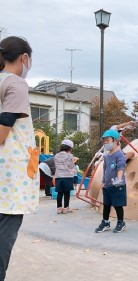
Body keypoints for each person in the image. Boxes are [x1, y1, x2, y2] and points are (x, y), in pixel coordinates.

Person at [0, 36, 40, 281]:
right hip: (10, 179)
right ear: (24, 58)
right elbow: (3, 132)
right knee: (4, 238)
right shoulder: (15, 83)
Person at [95, 130, 128, 233]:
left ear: (116, 141)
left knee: (118, 205)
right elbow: (105, 170)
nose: (106, 143)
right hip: (108, 185)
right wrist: (104, 181)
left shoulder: (120, 154)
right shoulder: (107, 155)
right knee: (106, 205)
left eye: (108, 140)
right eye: (104, 141)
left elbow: (120, 168)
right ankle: (105, 222)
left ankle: (121, 222)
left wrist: (118, 180)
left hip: (118, 185)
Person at [54, 139, 76, 214]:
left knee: (59, 193)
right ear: (70, 148)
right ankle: (66, 208)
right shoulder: (70, 156)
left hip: (58, 177)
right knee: (67, 193)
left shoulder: (56, 156)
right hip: (68, 177)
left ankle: (59, 208)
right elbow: (71, 166)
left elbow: (56, 165)